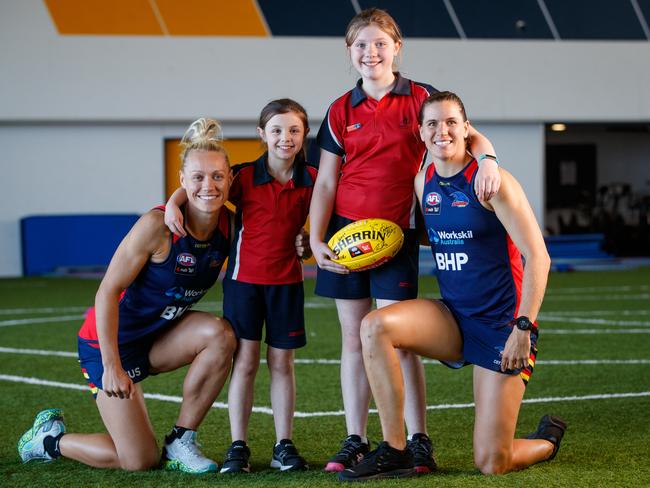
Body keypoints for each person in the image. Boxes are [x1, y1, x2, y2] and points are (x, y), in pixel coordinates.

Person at [309, 8, 501, 473]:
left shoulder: (421, 97)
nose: (370, 52)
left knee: (401, 341)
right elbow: (326, 183)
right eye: (360, 45)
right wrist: (316, 238)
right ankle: (356, 438)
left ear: (397, 47)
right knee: (354, 340)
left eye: (379, 43)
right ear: (349, 52)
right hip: (347, 236)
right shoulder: (339, 109)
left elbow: (466, 132)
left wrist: (489, 159)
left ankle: (418, 440)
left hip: (397, 236)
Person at [338, 91, 566, 481]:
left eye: (450, 123)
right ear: (421, 133)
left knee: (492, 462)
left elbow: (538, 258)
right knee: (374, 325)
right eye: (432, 124)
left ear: (465, 129)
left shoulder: (494, 182)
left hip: (501, 327)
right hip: (452, 316)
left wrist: (522, 328)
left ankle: (547, 440)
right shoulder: (421, 181)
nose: (441, 130)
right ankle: (396, 450)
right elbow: (442, 233)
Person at [17, 118, 238, 473]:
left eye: (216, 176)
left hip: (157, 337)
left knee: (220, 334)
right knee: (138, 461)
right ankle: (49, 440)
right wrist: (111, 366)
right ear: (181, 181)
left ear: (230, 179)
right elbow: (107, 291)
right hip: (108, 343)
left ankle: (182, 440)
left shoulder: (230, 224)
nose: (208, 185)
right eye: (197, 177)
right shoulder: (156, 228)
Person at [164, 99, 316, 473]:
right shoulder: (243, 177)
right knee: (245, 362)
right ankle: (239, 446)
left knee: (282, 362)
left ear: (304, 134)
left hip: (287, 284)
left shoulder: (312, 178)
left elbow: (321, 222)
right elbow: (204, 186)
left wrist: (309, 240)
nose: (286, 138)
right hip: (244, 284)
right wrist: (173, 201)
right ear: (262, 134)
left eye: (294, 130)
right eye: (277, 130)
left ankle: (284, 444)